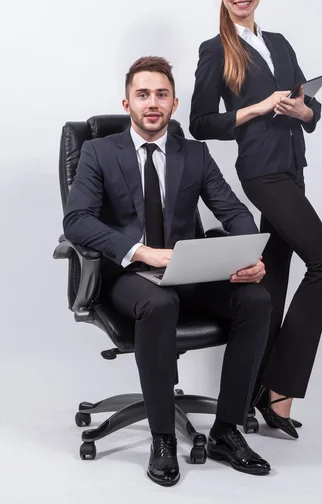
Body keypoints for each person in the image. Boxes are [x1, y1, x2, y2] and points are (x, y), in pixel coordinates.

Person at [63, 56, 273, 486]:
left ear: (174, 103)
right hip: (127, 278)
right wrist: (143, 253)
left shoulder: (194, 153)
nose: (152, 103)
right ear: (127, 103)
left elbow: (232, 210)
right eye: (143, 95)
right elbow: (77, 221)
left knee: (255, 299)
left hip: (188, 273)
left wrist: (247, 253)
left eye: (161, 94)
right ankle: (162, 438)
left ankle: (227, 430)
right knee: (159, 304)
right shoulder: (98, 151)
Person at [190, 0, 322, 440]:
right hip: (261, 172)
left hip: (292, 169)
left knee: (272, 282)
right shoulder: (216, 49)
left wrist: (304, 109)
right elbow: (199, 123)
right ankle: (280, 389)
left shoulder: (278, 42)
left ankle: (252, 392)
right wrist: (256, 107)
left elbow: (308, 104)